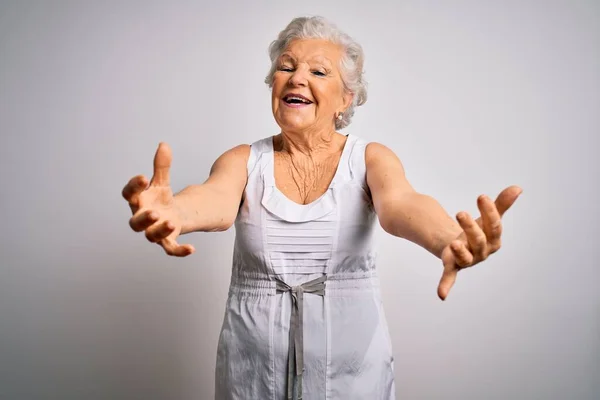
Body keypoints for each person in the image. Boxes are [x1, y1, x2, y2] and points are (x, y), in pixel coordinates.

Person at [121, 16, 521, 400]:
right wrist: (172, 212)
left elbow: (402, 204)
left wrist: (449, 240)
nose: (296, 78)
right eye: (286, 67)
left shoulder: (370, 159)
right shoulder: (243, 160)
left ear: (346, 98)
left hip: (352, 378)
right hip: (251, 375)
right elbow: (213, 200)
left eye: (318, 72)